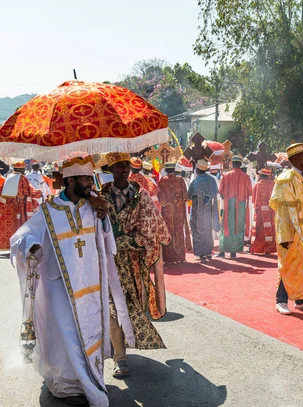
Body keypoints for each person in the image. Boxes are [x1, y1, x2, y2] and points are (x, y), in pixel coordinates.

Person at [11, 156, 134, 407]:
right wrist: (31, 246)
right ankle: (67, 386)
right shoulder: (49, 209)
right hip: (60, 287)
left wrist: (104, 216)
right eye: (85, 179)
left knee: (89, 334)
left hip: (90, 286)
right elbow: (21, 236)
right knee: (65, 336)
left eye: (91, 178)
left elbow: (107, 241)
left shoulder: (94, 207)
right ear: (70, 180)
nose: (90, 184)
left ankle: (89, 378)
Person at [100, 152, 171, 378]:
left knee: (132, 307)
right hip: (108, 264)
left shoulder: (142, 196)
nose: (124, 169)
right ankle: (119, 358)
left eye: (126, 165)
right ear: (110, 169)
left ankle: (122, 343)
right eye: (119, 166)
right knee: (112, 308)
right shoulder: (99, 198)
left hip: (133, 262)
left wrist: (127, 240)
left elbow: (153, 230)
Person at [270, 143, 303, 315]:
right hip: (291, 232)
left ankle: (301, 300)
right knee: (288, 265)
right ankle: (281, 301)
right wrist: (284, 235)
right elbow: (282, 211)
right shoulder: (286, 179)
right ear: (294, 159)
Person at [217, 155, 252, 258]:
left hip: (228, 205)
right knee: (238, 227)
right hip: (241, 205)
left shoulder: (226, 176)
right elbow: (250, 192)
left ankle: (222, 251)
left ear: (232, 164)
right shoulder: (246, 177)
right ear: (241, 165)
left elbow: (221, 192)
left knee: (226, 226)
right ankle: (233, 252)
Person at [0, 161, 42, 250]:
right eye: (23, 169)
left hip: (9, 209)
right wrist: (39, 193)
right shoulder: (23, 178)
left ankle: (8, 245)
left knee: (10, 227)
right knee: (20, 226)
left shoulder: (8, 177)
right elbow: (30, 191)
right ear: (21, 169)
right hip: (20, 207)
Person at [158, 162, 192, 263]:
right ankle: (179, 256)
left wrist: (168, 202)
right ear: (174, 169)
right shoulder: (180, 180)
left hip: (167, 212)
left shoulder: (163, 181)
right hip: (179, 211)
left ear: (166, 170)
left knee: (168, 231)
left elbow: (161, 198)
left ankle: (168, 257)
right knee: (179, 231)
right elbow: (186, 196)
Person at [188, 159, 219, 261]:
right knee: (207, 230)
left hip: (197, 211)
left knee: (198, 230)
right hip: (209, 210)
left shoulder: (195, 182)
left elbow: (188, 196)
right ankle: (208, 252)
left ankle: (201, 254)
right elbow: (215, 194)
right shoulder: (212, 180)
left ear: (197, 169)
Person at [250, 168, 277, 254]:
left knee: (258, 229)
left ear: (261, 175)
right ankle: (268, 249)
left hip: (260, 210)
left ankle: (255, 248)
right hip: (270, 211)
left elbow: (253, 198)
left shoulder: (258, 185)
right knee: (269, 229)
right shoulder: (273, 185)